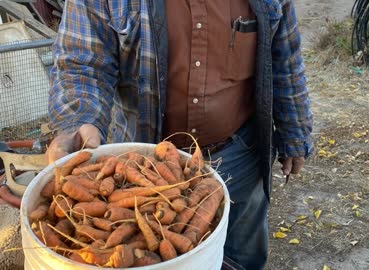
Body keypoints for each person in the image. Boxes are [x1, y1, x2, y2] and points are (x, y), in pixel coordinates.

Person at [46, 0, 313, 269]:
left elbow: (285, 59)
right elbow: (83, 64)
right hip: (141, 171)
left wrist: (295, 131)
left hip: (239, 156)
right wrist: (79, 122)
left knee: (243, 256)